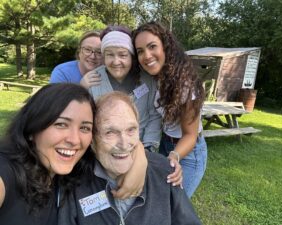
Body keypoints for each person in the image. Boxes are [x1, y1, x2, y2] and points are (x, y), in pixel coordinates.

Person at [0, 83, 147, 225]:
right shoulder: (6, 172)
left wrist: (140, 162)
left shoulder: (70, 171)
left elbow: (121, 142)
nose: (74, 140)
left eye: (84, 128)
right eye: (61, 124)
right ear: (32, 128)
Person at [58, 91, 202, 225]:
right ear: (92, 139)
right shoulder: (74, 181)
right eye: (110, 132)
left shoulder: (165, 172)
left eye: (131, 130)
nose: (124, 143)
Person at [133, 21, 208, 198]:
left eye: (152, 47)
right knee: (160, 199)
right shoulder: (155, 77)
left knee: (176, 204)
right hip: (166, 144)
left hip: (188, 152)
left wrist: (174, 156)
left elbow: (190, 134)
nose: (147, 55)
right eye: (140, 51)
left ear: (166, 47)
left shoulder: (185, 84)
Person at [87, 25, 161, 153]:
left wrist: (148, 148)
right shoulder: (93, 80)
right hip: (105, 152)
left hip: (141, 149)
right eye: (110, 55)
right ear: (104, 57)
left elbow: (154, 116)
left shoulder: (147, 79)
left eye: (122, 55)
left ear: (131, 57)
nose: (116, 62)